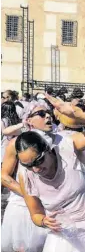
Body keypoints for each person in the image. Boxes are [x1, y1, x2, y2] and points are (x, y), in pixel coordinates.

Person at [17, 95, 85, 252]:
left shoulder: (68, 146)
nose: (35, 169)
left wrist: (78, 114)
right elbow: (35, 213)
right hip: (63, 242)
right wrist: (43, 220)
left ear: (49, 150)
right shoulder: (26, 175)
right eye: (28, 165)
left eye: (38, 161)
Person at [2, 104, 51, 252]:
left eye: (49, 113)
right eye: (41, 114)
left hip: (51, 205)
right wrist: (28, 194)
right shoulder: (16, 143)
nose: (48, 116)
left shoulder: (59, 140)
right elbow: (3, 175)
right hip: (22, 207)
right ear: (29, 119)